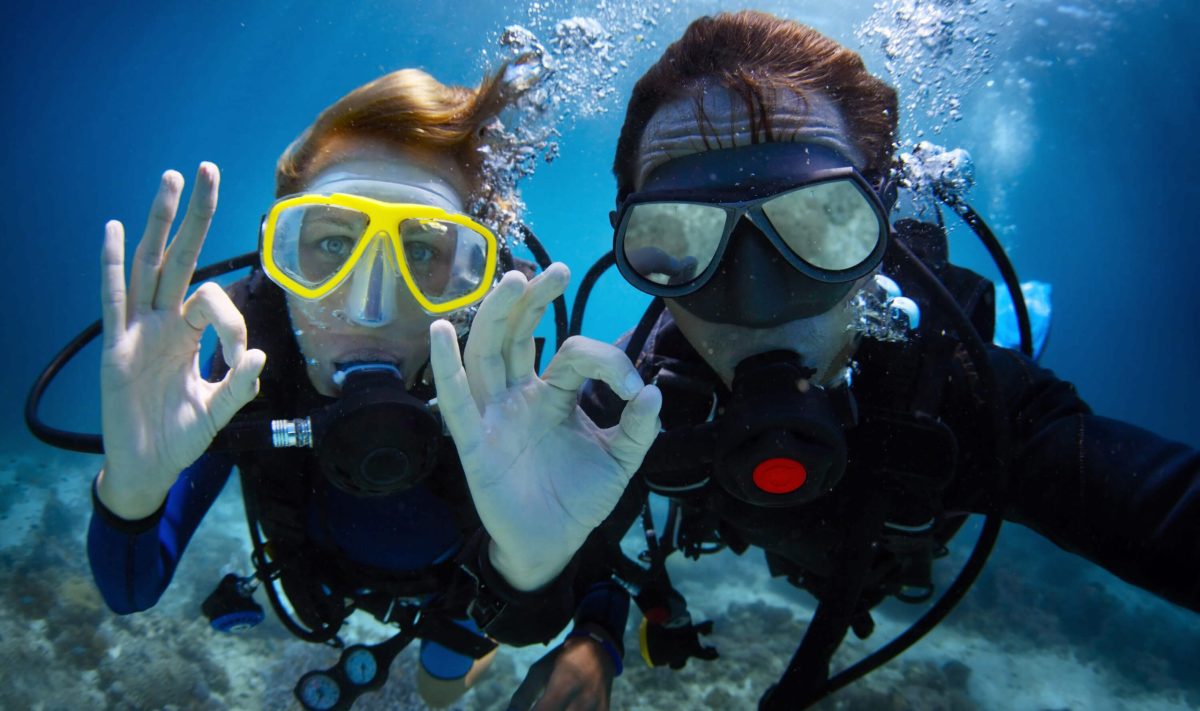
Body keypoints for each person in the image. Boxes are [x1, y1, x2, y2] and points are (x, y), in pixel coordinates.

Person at [503, 10, 1200, 709]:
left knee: (1012, 341)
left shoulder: (958, 389)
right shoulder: (633, 396)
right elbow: (552, 563)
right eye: (677, 235)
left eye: (820, 223)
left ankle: (1031, 316)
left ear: (881, 219)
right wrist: (582, 621)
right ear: (633, 244)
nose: (757, 298)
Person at [87, 63, 662, 709]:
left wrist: (535, 581)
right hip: (326, 581)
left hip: (462, 590)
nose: (370, 308)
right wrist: (132, 490)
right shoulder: (242, 369)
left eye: (422, 253)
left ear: (475, 282)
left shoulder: (503, 374)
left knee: (439, 686)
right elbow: (130, 591)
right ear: (279, 259)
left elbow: (563, 551)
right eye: (332, 243)